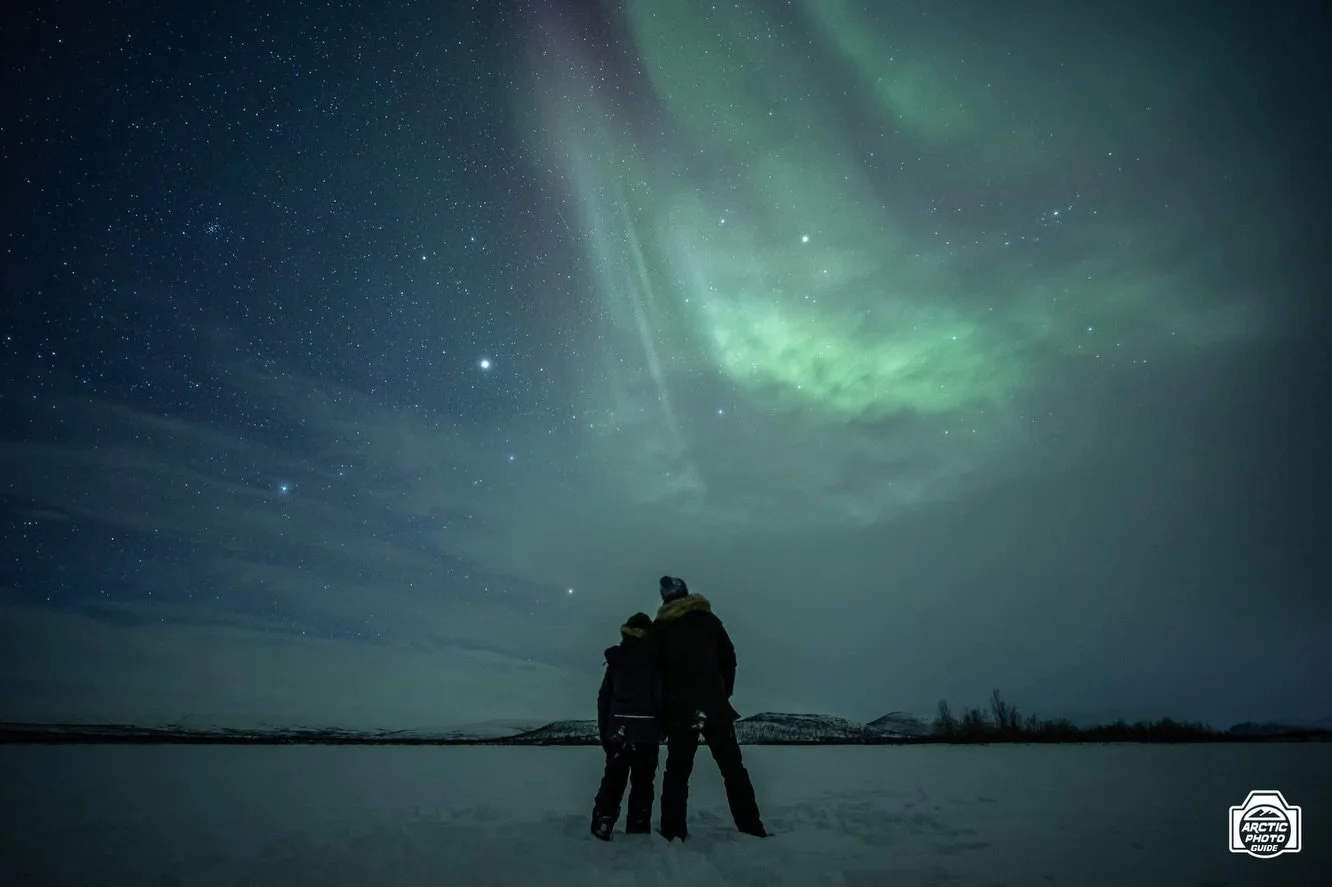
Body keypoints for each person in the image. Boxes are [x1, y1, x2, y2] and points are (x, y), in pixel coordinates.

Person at [653, 575, 768, 840]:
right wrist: (720, 693)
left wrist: (663, 710)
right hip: (714, 706)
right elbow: (730, 659)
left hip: (681, 710)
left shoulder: (662, 627)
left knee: (677, 771)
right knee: (732, 769)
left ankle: (673, 831)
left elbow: (654, 673)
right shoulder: (710, 621)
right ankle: (751, 827)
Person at [590, 611, 663, 841]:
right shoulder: (656, 661)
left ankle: (604, 820)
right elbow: (662, 697)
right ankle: (638, 828)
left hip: (618, 731)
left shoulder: (617, 661)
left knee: (613, 779)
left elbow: (604, 699)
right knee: (643, 783)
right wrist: (661, 729)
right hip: (647, 733)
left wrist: (606, 733)